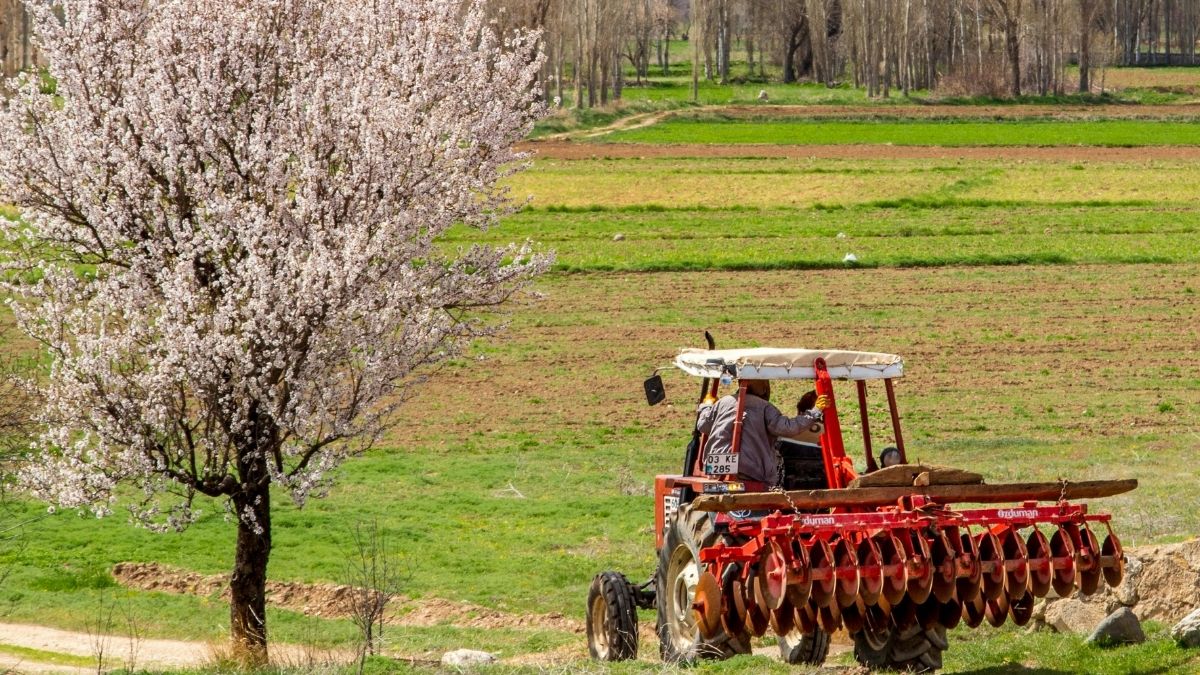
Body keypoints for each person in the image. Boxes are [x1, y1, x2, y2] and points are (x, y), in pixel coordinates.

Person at [696, 379, 827, 486]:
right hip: (750, 471)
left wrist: (706, 406)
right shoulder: (764, 407)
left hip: (714, 469)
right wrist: (816, 411)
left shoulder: (722, 402)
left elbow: (703, 426)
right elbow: (788, 428)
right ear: (764, 387)